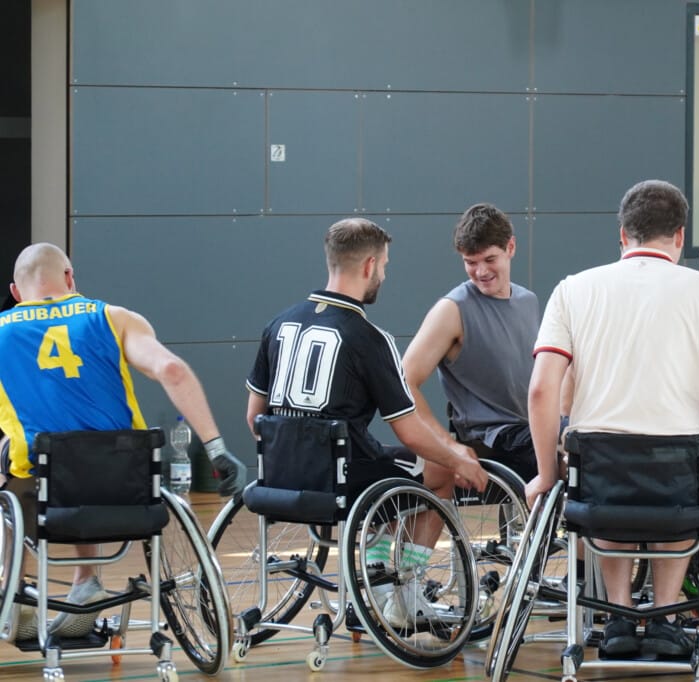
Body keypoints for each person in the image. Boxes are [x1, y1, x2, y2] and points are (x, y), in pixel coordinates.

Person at [526, 179, 699, 659]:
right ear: (680, 235)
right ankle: (666, 617)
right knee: (688, 485)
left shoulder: (573, 289)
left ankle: (620, 617)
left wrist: (546, 472)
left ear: (623, 234)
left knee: (602, 472)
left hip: (600, 466)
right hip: (679, 468)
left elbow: (543, 388)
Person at [244, 217, 488, 627]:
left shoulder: (278, 325)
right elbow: (409, 431)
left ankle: (375, 585)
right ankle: (405, 593)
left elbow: (255, 418)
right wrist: (459, 458)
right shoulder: (369, 338)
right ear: (370, 266)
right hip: (343, 478)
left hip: (279, 477)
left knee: (388, 474)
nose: (384, 275)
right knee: (437, 468)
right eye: (386, 266)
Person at [0, 243, 246, 641]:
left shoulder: (2, 330)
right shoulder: (113, 317)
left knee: (16, 468)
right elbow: (170, 370)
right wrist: (216, 448)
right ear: (69, 278)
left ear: (15, 292)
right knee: (89, 456)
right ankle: (86, 584)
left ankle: (14, 591)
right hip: (125, 487)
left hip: (43, 496)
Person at [402, 203, 539, 483]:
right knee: (567, 455)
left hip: (530, 429)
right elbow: (403, 382)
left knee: (586, 439)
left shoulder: (528, 301)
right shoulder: (451, 310)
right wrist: (448, 448)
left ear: (510, 248)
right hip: (492, 438)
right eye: (470, 262)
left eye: (489, 259)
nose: (480, 271)